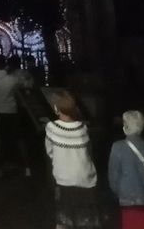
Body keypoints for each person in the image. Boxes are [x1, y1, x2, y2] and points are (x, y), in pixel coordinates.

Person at [45, 90, 101, 229]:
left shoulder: (52, 127)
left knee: (65, 220)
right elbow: (88, 152)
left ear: (57, 108)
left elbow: (50, 151)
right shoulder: (83, 127)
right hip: (85, 179)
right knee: (86, 220)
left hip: (64, 180)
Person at [0, 54, 29, 175]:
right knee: (13, 137)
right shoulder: (12, 79)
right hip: (11, 111)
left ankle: (1, 164)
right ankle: (17, 163)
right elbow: (22, 88)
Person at [109, 110, 144, 229]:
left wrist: (119, 191)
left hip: (127, 198)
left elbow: (113, 177)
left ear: (126, 126)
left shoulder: (117, 147)